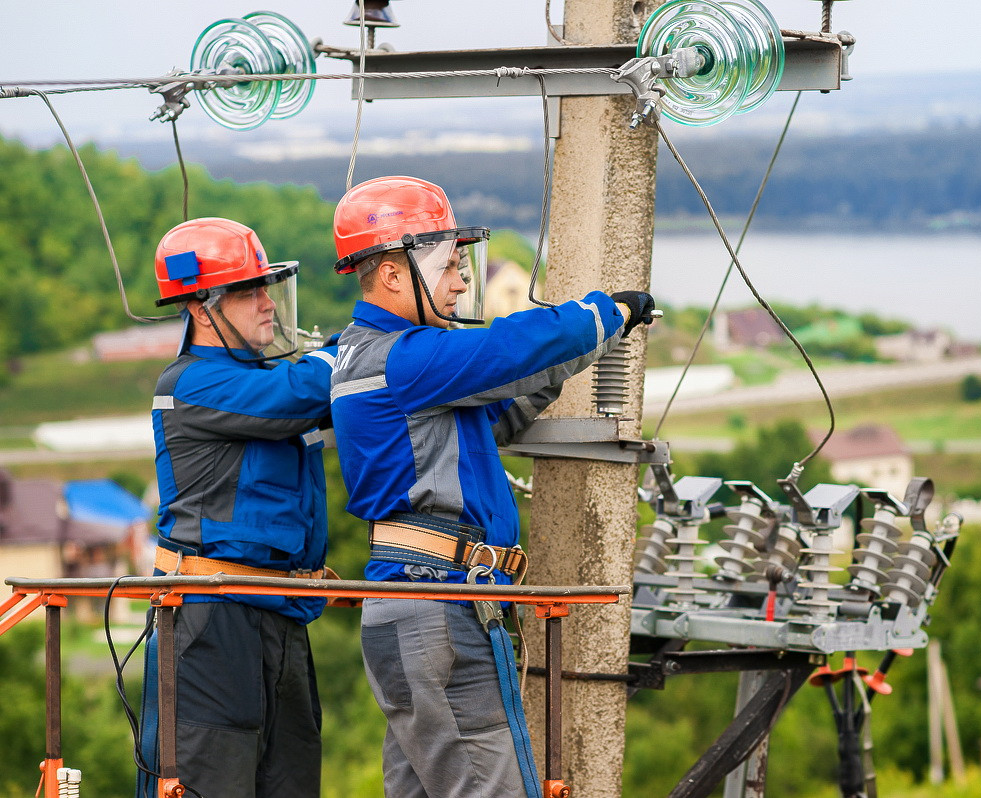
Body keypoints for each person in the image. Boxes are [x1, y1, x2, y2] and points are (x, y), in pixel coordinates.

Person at [328, 175, 656, 798]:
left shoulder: (378, 358)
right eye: (448, 265)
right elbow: (510, 348)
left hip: (417, 611)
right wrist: (608, 312)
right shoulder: (403, 356)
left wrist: (552, 372)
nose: (459, 282)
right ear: (394, 275)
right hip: (440, 610)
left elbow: (491, 416)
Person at [139, 217, 337, 798]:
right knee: (209, 780)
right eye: (249, 291)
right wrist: (347, 354)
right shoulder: (192, 385)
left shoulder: (261, 380)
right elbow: (300, 395)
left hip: (281, 612)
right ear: (202, 308)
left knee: (291, 779)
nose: (267, 303)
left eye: (268, 287)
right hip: (210, 620)